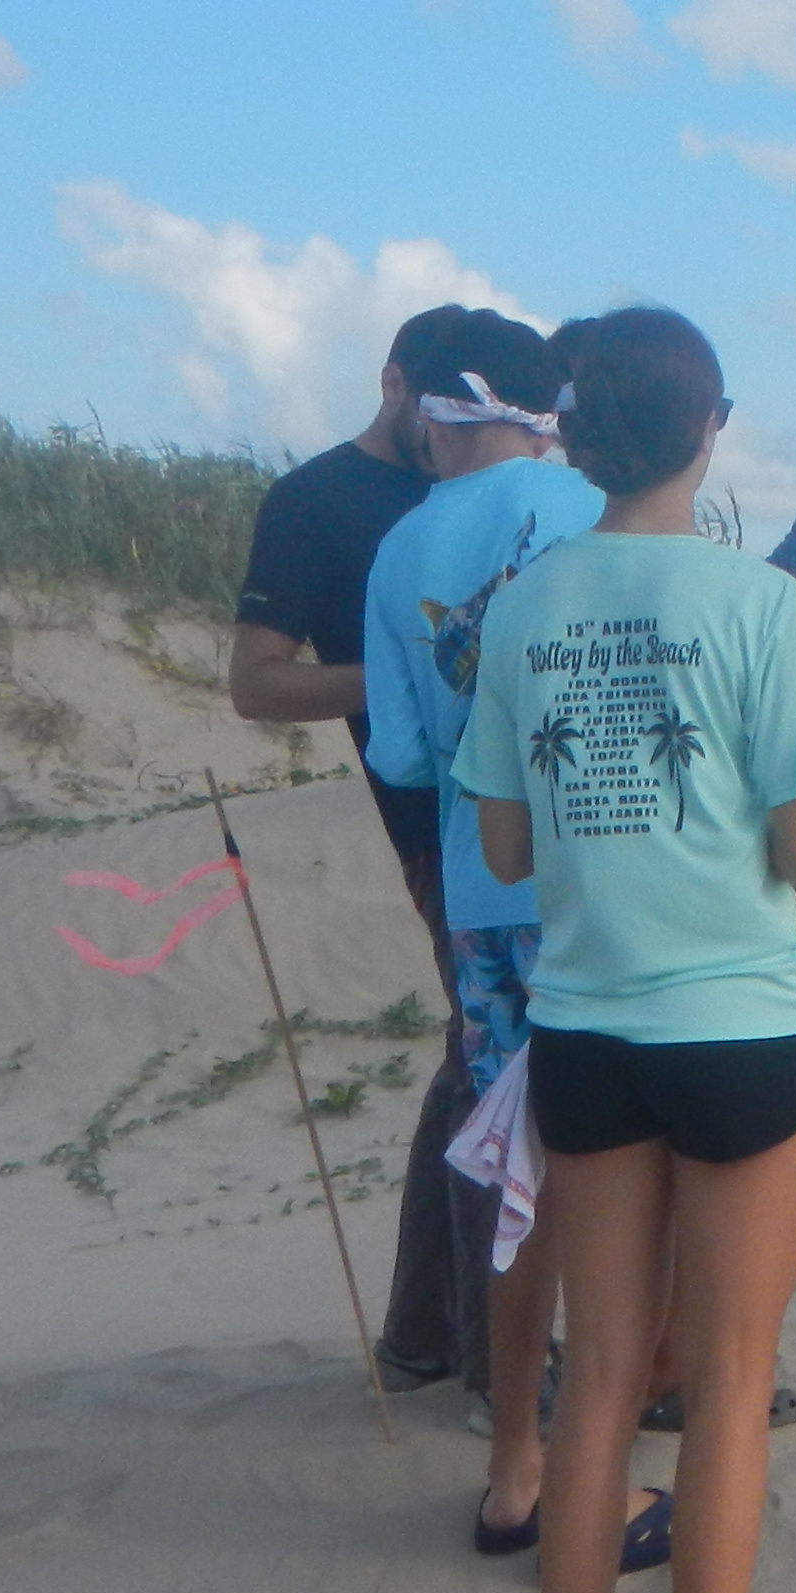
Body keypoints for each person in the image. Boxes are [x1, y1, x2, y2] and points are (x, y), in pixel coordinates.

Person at [460, 307, 796, 1593]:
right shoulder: (763, 609)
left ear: (573, 433)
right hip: (742, 1024)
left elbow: (502, 839)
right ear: (711, 427)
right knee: (730, 1385)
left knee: (598, 1383)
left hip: (587, 1032)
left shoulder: (525, 605)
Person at [358, 320, 606, 1556]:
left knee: (517, 1165)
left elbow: (401, 752)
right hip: (613, 883)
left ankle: (517, 1451)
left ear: (445, 407)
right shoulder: (598, 508)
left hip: (481, 891)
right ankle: (624, 1419)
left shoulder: (401, 542)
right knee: (628, 1150)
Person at [231, 305, 507, 1390]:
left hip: (535, 819)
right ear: (394, 384)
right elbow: (256, 683)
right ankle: (494, 1354)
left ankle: (424, 1332)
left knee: (473, 1061)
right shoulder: (315, 503)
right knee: (499, 1069)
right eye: (436, 410)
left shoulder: (494, 482)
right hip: (434, 827)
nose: (452, 436)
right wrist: (411, 674)